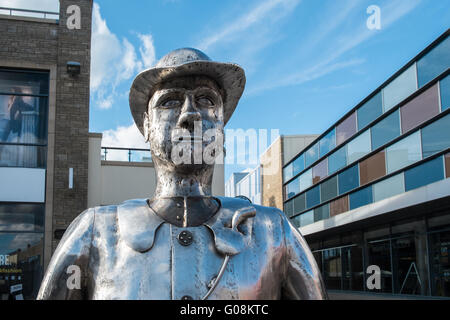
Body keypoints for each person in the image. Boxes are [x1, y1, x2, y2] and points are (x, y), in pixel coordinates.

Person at [37, 48, 327, 300]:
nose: (191, 114)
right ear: (147, 126)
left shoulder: (274, 233)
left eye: (206, 100)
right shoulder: (94, 233)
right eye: (170, 101)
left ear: (222, 125)